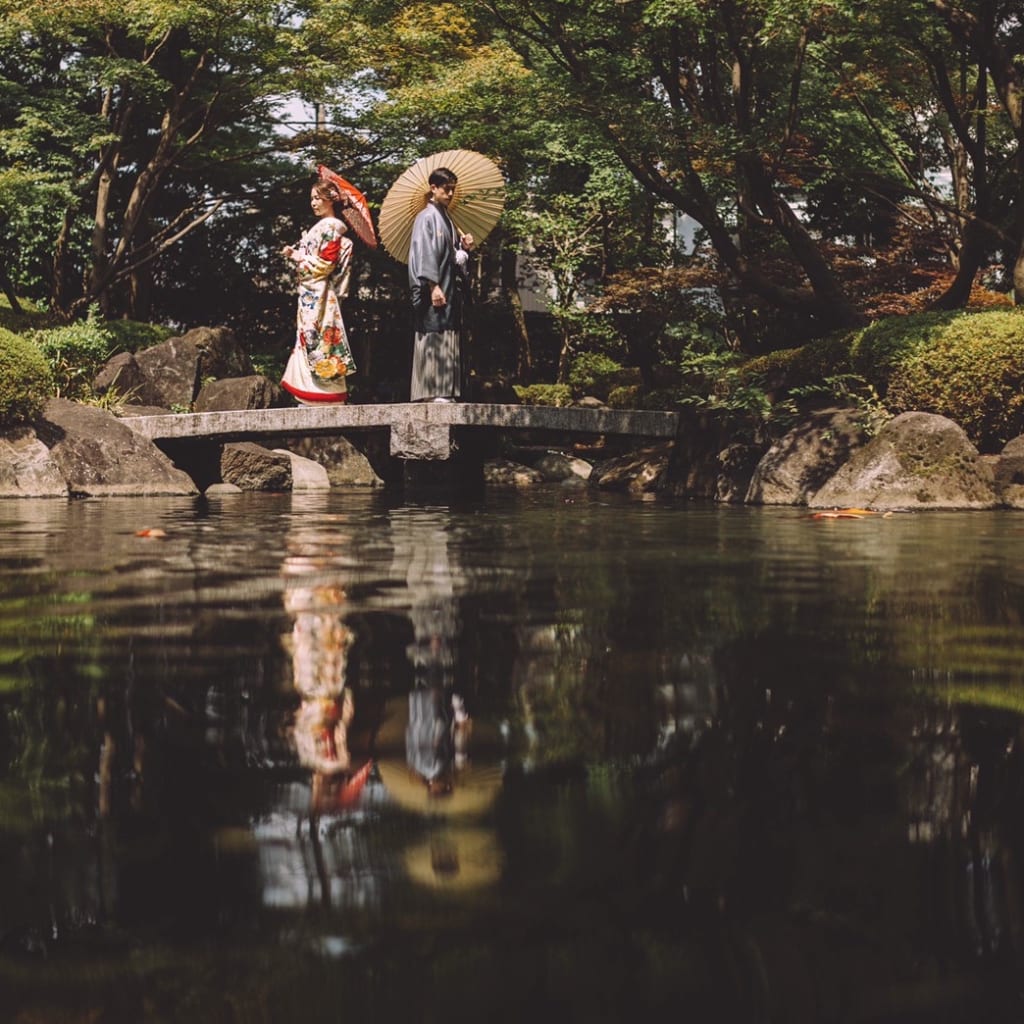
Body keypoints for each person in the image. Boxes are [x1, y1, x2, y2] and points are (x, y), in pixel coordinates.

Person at [280, 178, 358, 405]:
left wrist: (298, 257)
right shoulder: (326, 227)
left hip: (318, 292)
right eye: (312, 199)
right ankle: (313, 391)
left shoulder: (330, 227)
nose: (314, 203)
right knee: (312, 335)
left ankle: (320, 393)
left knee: (317, 335)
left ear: (330, 200)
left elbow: (325, 265)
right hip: (313, 293)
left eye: (318, 198)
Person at [408, 167, 474, 403]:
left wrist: (463, 250)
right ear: (433, 188)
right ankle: (431, 391)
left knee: (447, 333)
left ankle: (444, 390)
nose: (450, 194)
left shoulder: (446, 218)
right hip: (433, 288)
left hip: (449, 287)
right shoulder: (426, 217)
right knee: (433, 334)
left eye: (452, 190)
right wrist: (432, 285)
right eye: (446, 189)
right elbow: (424, 254)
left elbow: (451, 257)